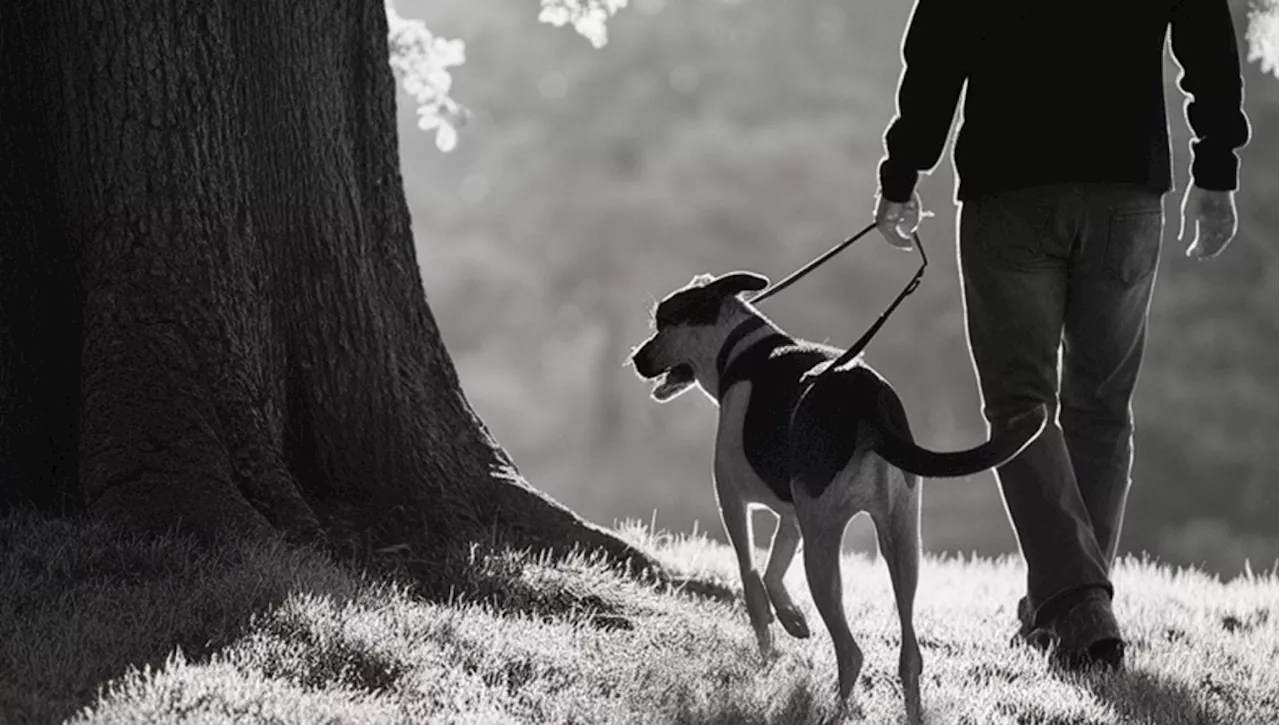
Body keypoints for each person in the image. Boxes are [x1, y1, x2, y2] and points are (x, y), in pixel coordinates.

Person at [871, 0, 1251, 671]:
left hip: (1008, 188)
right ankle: (1075, 604)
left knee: (1021, 405)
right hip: (1125, 189)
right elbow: (1209, 43)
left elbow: (936, 51)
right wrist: (1216, 169)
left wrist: (902, 173)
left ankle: (1074, 601)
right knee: (1100, 408)